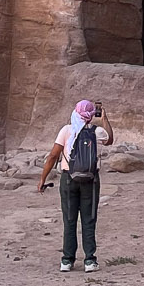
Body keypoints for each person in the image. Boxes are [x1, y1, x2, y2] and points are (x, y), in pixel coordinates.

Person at [38, 99, 115, 272]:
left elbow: (53, 156)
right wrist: (104, 119)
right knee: (89, 219)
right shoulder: (97, 132)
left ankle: (67, 260)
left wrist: (43, 178)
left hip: (68, 179)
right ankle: (90, 260)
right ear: (91, 115)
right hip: (90, 180)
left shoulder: (67, 130)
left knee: (69, 220)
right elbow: (110, 140)